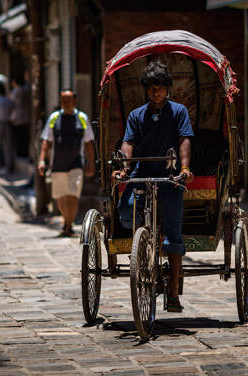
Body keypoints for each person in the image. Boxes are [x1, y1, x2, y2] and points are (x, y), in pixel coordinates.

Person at [113, 61, 194, 313]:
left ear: (167, 88)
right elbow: (128, 142)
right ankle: (141, 249)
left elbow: (184, 140)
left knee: (173, 233)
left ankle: (172, 292)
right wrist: (124, 167)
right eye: (151, 89)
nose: (155, 93)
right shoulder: (137, 115)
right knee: (126, 212)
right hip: (142, 171)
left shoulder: (178, 111)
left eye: (159, 88)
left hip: (170, 175)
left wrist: (183, 169)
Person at [38, 89, 95, 237]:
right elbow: (46, 141)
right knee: (61, 197)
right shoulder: (54, 118)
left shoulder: (82, 118)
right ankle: (66, 221)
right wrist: (42, 160)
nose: (66, 103)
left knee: (73, 195)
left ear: (75, 101)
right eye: (63, 100)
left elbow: (89, 142)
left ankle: (68, 225)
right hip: (58, 164)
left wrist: (91, 163)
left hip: (76, 163)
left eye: (69, 100)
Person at [9, 73, 31, 158]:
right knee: (24, 135)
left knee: (19, 135)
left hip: (17, 116)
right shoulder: (25, 89)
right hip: (25, 115)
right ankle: (24, 152)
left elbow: (11, 103)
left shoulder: (16, 91)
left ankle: (20, 153)